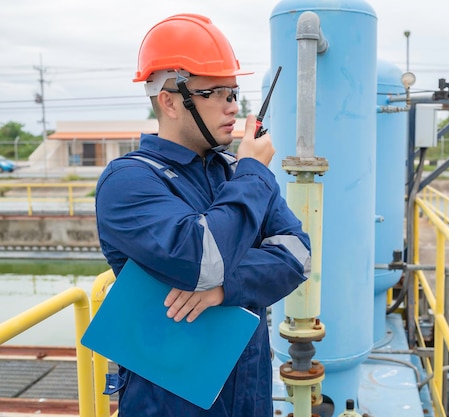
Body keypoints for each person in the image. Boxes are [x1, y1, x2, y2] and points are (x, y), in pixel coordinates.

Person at [95, 13, 311, 417]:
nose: (233, 106)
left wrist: (223, 290)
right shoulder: (128, 182)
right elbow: (201, 260)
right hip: (169, 400)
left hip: (249, 392)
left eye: (234, 92)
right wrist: (255, 172)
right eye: (218, 93)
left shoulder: (234, 171)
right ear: (170, 101)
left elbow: (297, 254)